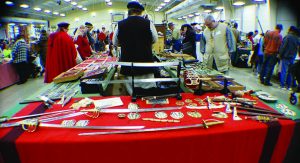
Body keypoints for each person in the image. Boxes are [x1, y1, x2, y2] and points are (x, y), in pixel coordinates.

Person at [113, 1, 158, 95]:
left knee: (132, 95)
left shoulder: (120, 24)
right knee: (148, 94)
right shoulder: (148, 23)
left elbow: (115, 43)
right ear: (141, 12)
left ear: (128, 11)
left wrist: (126, 43)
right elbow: (154, 40)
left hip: (129, 66)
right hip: (145, 65)